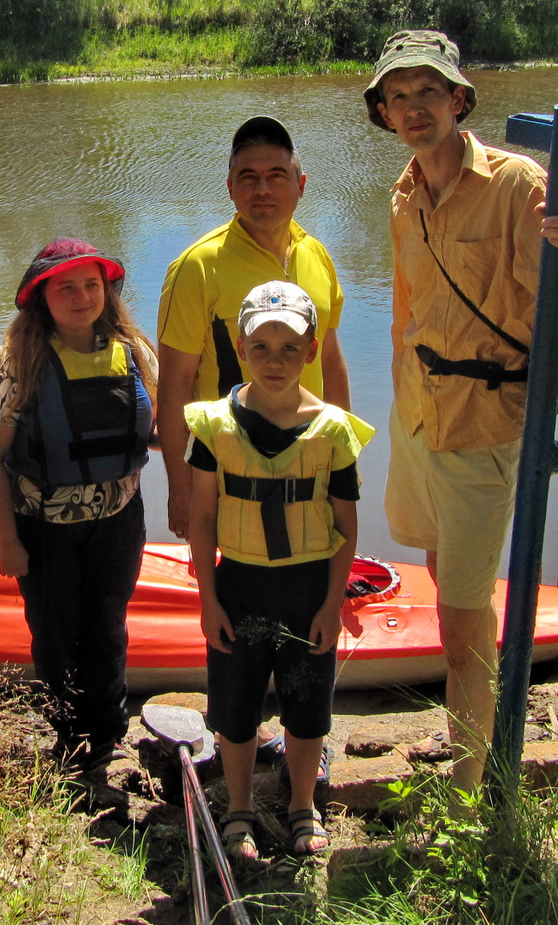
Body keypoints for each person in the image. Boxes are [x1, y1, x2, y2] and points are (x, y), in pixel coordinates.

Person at [366, 30, 558, 790]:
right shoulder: (404, 195)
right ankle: (473, 745)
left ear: (459, 100)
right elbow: (408, 313)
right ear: (384, 112)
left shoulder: (519, 185)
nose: (413, 108)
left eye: (427, 92)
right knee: (444, 575)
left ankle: (474, 786)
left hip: (484, 426)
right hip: (418, 418)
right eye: (398, 97)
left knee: (464, 621)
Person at [185, 281, 373, 858]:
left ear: (312, 352)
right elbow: (202, 518)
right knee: (236, 708)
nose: (274, 360)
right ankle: (239, 806)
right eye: (261, 346)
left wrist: (332, 605)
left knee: (306, 705)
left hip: (306, 587)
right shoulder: (214, 427)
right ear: (241, 350)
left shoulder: (333, 432)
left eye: (289, 348)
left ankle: (301, 805)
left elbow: (346, 529)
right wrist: (209, 601)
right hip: (239, 587)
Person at [0, 239, 158, 773]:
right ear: (42, 296)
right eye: (66, 287)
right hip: (44, 526)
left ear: (107, 290)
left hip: (118, 520)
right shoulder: (18, 362)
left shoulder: (135, 351)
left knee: (108, 624)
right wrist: (7, 542)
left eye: (91, 285)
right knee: (56, 633)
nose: (82, 297)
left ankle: (108, 733)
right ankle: (67, 734)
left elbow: (150, 433)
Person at [157, 116, 351, 541]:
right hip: (230, 476)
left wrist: (345, 460)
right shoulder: (197, 267)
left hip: (310, 465)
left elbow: (332, 360)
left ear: (301, 185)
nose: (263, 189)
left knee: (311, 587)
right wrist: (179, 488)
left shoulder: (317, 255)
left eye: (276, 176)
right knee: (231, 597)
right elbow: (174, 385)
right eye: (249, 177)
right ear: (230, 188)